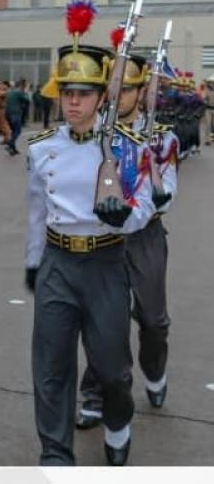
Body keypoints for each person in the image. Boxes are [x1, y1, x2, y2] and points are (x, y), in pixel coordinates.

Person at [24, 1, 155, 465]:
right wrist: (33, 262)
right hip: (59, 263)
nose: (73, 100)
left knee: (113, 370)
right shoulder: (41, 150)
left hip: (105, 264)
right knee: (52, 368)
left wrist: (126, 217)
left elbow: (146, 202)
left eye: (84, 92)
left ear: (103, 96)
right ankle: (56, 454)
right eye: (67, 92)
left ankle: (117, 423)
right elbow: (38, 210)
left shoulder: (125, 146)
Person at [75, 51, 179, 430]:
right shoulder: (90, 134)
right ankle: (95, 393)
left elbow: (166, 187)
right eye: (113, 89)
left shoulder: (161, 136)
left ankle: (155, 369)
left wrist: (155, 198)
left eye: (127, 89)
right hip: (103, 237)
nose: (118, 97)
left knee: (152, 320)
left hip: (145, 235)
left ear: (142, 92)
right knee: (104, 321)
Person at [5, 78, 30, 155]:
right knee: (17, 131)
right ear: (22, 85)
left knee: (13, 131)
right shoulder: (20, 91)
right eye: (26, 85)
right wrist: (26, 92)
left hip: (8, 113)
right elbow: (27, 100)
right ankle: (10, 144)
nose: (26, 86)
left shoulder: (11, 91)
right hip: (15, 113)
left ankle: (13, 148)